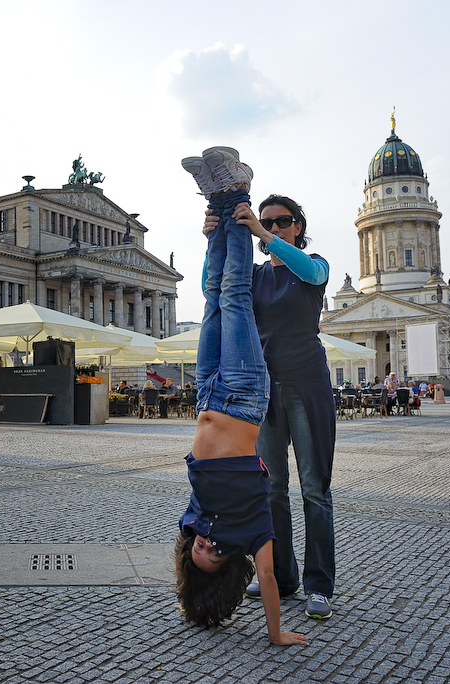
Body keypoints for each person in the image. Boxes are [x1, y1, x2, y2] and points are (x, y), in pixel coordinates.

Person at [175, 147, 307, 646]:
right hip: (245, 395)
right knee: (234, 293)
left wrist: (216, 233)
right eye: (210, 553)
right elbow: (269, 580)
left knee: (212, 292)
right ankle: (238, 190)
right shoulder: (253, 534)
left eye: (195, 552)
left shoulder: (194, 521)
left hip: (207, 392)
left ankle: (218, 201)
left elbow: (195, 548)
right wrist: (276, 634)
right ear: (227, 565)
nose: (203, 545)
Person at [205, 189, 337, 619]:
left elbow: (310, 272)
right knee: (274, 490)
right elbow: (222, 288)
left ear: (297, 226)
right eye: (267, 221)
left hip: (307, 385)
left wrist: (263, 233)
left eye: (282, 221)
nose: (274, 227)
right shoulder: (257, 275)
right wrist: (214, 238)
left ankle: (320, 583)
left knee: (315, 490)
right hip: (265, 389)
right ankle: (283, 577)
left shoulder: (314, 267)